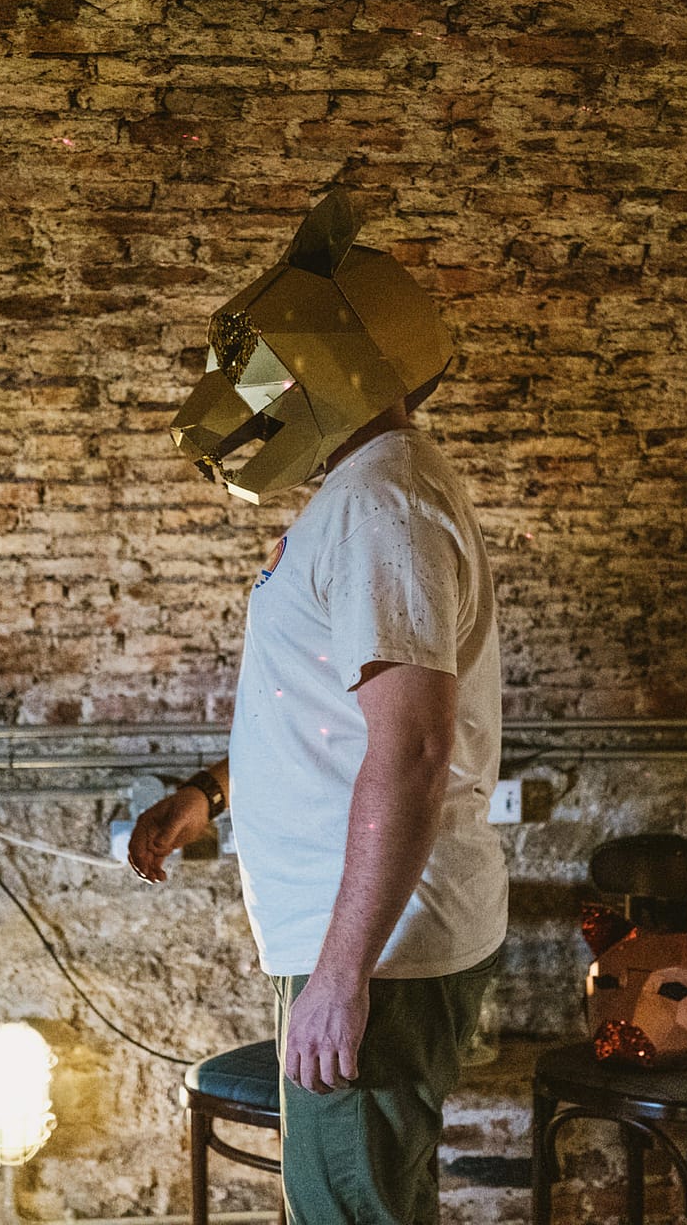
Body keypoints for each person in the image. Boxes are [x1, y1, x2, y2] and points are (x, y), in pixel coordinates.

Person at [131, 190, 508, 1224]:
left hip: (376, 945)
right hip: (365, 934)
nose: (237, 395)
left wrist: (344, 973)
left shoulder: (384, 502)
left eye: (259, 364)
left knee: (348, 1211)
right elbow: (331, 712)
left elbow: (416, 744)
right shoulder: (364, 496)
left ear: (324, 361)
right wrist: (214, 792)